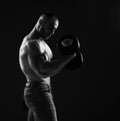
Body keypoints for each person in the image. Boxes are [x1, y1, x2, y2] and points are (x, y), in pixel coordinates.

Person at [19, 12, 76, 121]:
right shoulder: (32, 44)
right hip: (38, 93)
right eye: (50, 28)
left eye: (54, 30)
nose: (52, 33)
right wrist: (68, 58)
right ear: (40, 23)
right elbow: (42, 71)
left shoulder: (40, 42)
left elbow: (39, 69)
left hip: (38, 91)